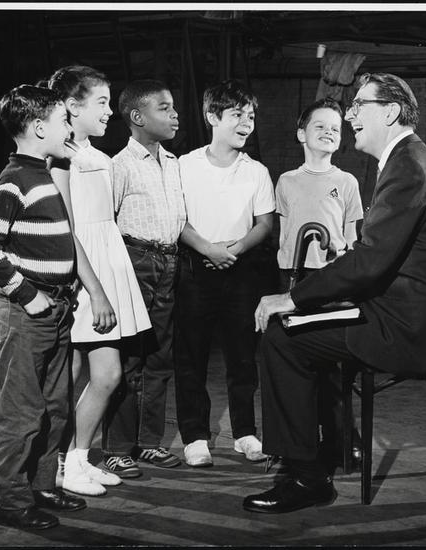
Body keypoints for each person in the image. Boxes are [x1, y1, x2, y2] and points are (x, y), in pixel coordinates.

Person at [243, 72, 426, 513]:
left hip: (405, 328)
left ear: (391, 112)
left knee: (282, 338)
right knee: (299, 331)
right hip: (406, 314)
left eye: (360, 105)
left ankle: (306, 478)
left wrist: (292, 298)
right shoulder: (409, 159)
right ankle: (329, 448)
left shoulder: (408, 165)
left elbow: (369, 261)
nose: (350, 116)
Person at [0, 84, 86, 529]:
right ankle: (10, 500)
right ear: (39, 128)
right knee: (22, 410)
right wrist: (27, 294)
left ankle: (41, 486)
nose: (69, 129)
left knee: (56, 406)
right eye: (62, 122)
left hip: (57, 308)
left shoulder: (44, 173)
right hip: (29, 311)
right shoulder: (14, 179)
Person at [47, 66, 153, 495]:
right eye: (102, 102)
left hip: (107, 263)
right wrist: (93, 288)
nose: (110, 111)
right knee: (67, 379)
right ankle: (58, 465)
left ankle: (77, 459)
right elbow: (67, 229)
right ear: (73, 107)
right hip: (82, 273)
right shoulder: (60, 157)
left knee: (108, 374)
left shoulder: (95, 153)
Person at [175, 79, 275, 467]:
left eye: (250, 116)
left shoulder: (256, 171)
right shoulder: (185, 166)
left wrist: (233, 250)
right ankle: (194, 437)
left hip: (241, 273)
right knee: (191, 357)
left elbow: (265, 224)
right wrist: (207, 248)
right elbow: (177, 219)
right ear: (212, 117)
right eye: (237, 115)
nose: (247, 123)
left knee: (243, 358)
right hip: (195, 271)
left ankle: (245, 433)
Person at [101, 79, 186, 478]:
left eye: (173, 107)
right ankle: (118, 448)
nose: (175, 115)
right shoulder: (119, 165)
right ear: (137, 116)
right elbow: (106, 223)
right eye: (164, 108)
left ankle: (149, 442)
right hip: (135, 261)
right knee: (129, 357)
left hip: (169, 262)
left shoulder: (173, 162)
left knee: (159, 357)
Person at [275, 97, 364, 468]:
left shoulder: (346, 182)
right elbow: (284, 234)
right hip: (294, 277)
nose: (328, 132)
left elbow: (353, 240)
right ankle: (299, 445)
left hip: (330, 281)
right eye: (320, 126)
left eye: (335, 128)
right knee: (293, 363)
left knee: (331, 368)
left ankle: (343, 441)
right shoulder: (286, 181)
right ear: (301, 134)